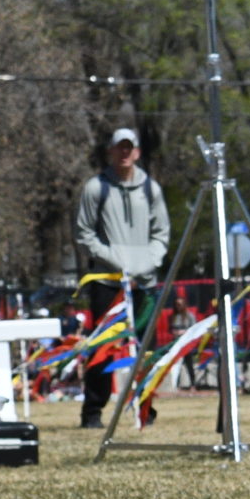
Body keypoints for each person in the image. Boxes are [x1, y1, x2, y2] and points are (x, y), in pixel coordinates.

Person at [74, 126, 169, 428]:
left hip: (145, 283)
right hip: (106, 282)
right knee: (103, 348)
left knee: (146, 349)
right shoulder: (95, 188)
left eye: (130, 147)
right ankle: (92, 412)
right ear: (111, 151)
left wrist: (146, 263)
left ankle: (146, 408)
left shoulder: (151, 189)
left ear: (137, 152)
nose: (125, 153)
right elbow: (84, 233)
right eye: (120, 147)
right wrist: (117, 261)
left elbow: (162, 233)